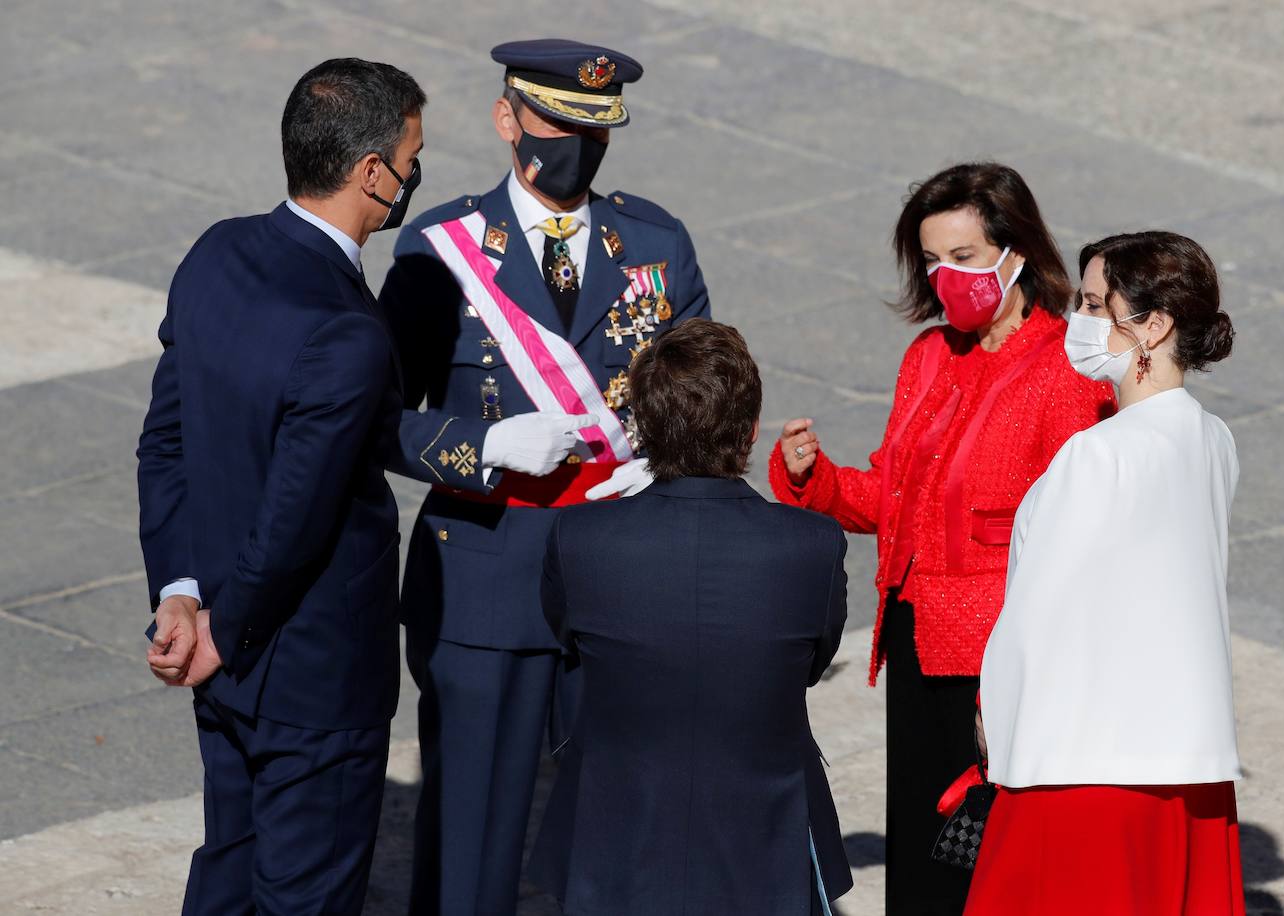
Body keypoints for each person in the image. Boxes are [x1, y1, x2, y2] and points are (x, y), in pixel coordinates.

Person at [376, 39, 711, 915]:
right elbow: (375, 418)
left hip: (625, 574)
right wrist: (484, 447)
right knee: (473, 831)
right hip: (487, 574)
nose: (578, 148)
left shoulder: (655, 242)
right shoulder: (443, 248)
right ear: (508, 120)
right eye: (559, 127)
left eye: (596, 132)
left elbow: (708, 392)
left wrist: (667, 459)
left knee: (628, 829)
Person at [770, 162, 1116, 913]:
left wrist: (1029, 673)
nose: (945, 276)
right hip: (918, 639)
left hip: (1001, 652)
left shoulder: (1065, 371)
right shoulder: (928, 357)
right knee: (927, 845)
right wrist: (813, 479)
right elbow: (894, 498)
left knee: (988, 852)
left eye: (963, 256)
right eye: (932, 260)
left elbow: (1080, 538)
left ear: (1016, 253)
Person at [136, 58, 424, 915]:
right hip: (310, 674)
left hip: (219, 651)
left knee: (228, 872)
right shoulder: (347, 330)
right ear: (371, 172)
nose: (414, 174)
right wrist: (226, 632)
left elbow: (164, 443)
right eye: (411, 158)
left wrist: (182, 595)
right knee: (308, 894)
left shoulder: (217, 252)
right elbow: (297, 514)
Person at [527, 318, 852, 915]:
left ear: (644, 427)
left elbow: (569, 638)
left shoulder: (580, 538)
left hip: (616, 833)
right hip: (765, 835)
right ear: (750, 429)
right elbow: (811, 663)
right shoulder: (813, 544)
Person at [969, 231, 1244, 914]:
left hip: (1082, 764)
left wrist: (995, 720)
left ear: (1153, 325)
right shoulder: (1215, 440)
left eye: (1095, 305)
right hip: (1189, 760)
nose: (1078, 320)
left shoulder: (1096, 455)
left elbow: (1039, 614)